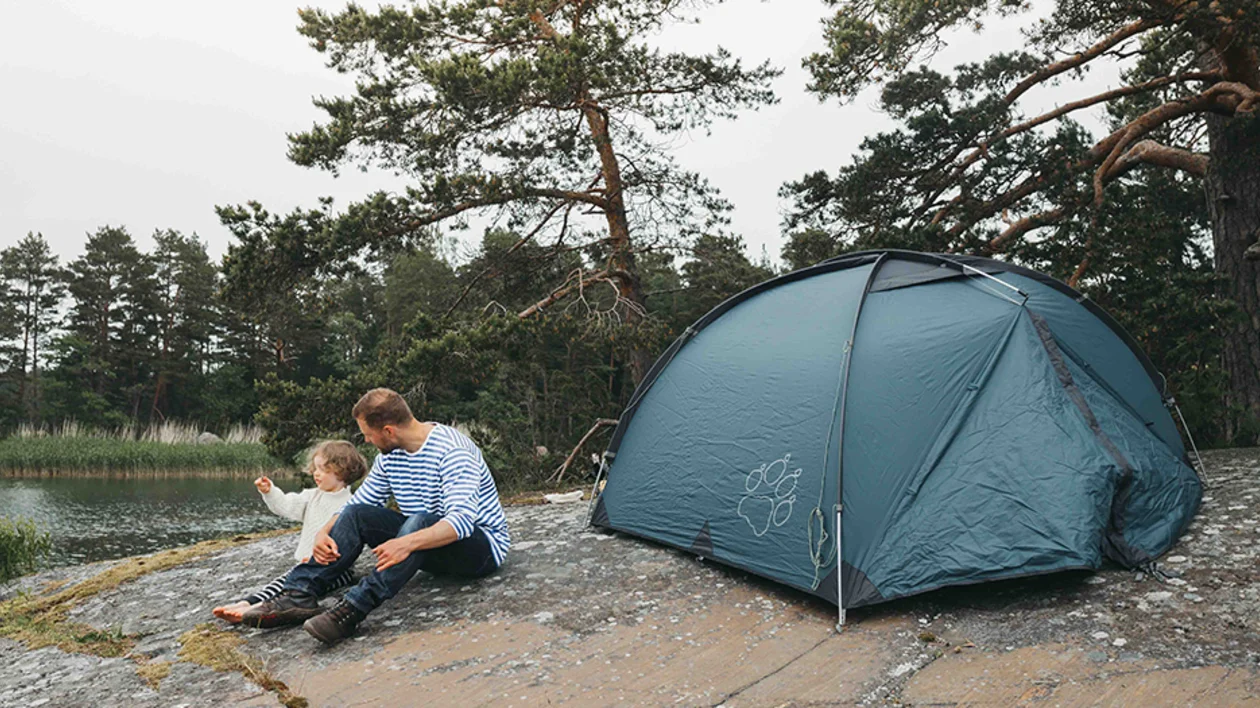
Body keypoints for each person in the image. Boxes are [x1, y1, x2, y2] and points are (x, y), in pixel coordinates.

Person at [241, 388, 511, 646]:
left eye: (368, 434)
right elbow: (362, 502)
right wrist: (324, 531)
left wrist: (404, 543)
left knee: (418, 521)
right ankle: (298, 594)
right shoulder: (390, 455)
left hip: (478, 550)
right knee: (357, 514)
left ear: (389, 430)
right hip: (426, 547)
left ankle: (352, 609)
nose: (367, 441)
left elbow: (460, 523)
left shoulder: (452, 451)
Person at [212, 440, 367, 623]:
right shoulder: (312, 496)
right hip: (308, 564)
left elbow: (346, 541)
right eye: (315, 468)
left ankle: (256, 608)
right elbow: (286, 505)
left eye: (323, 470)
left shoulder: (351, 505)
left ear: (342, 471)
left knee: (297, 585)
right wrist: (270, 492)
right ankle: (248, 603)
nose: (315, 474)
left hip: (339, 570)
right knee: (285, 581)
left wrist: (314, 558)